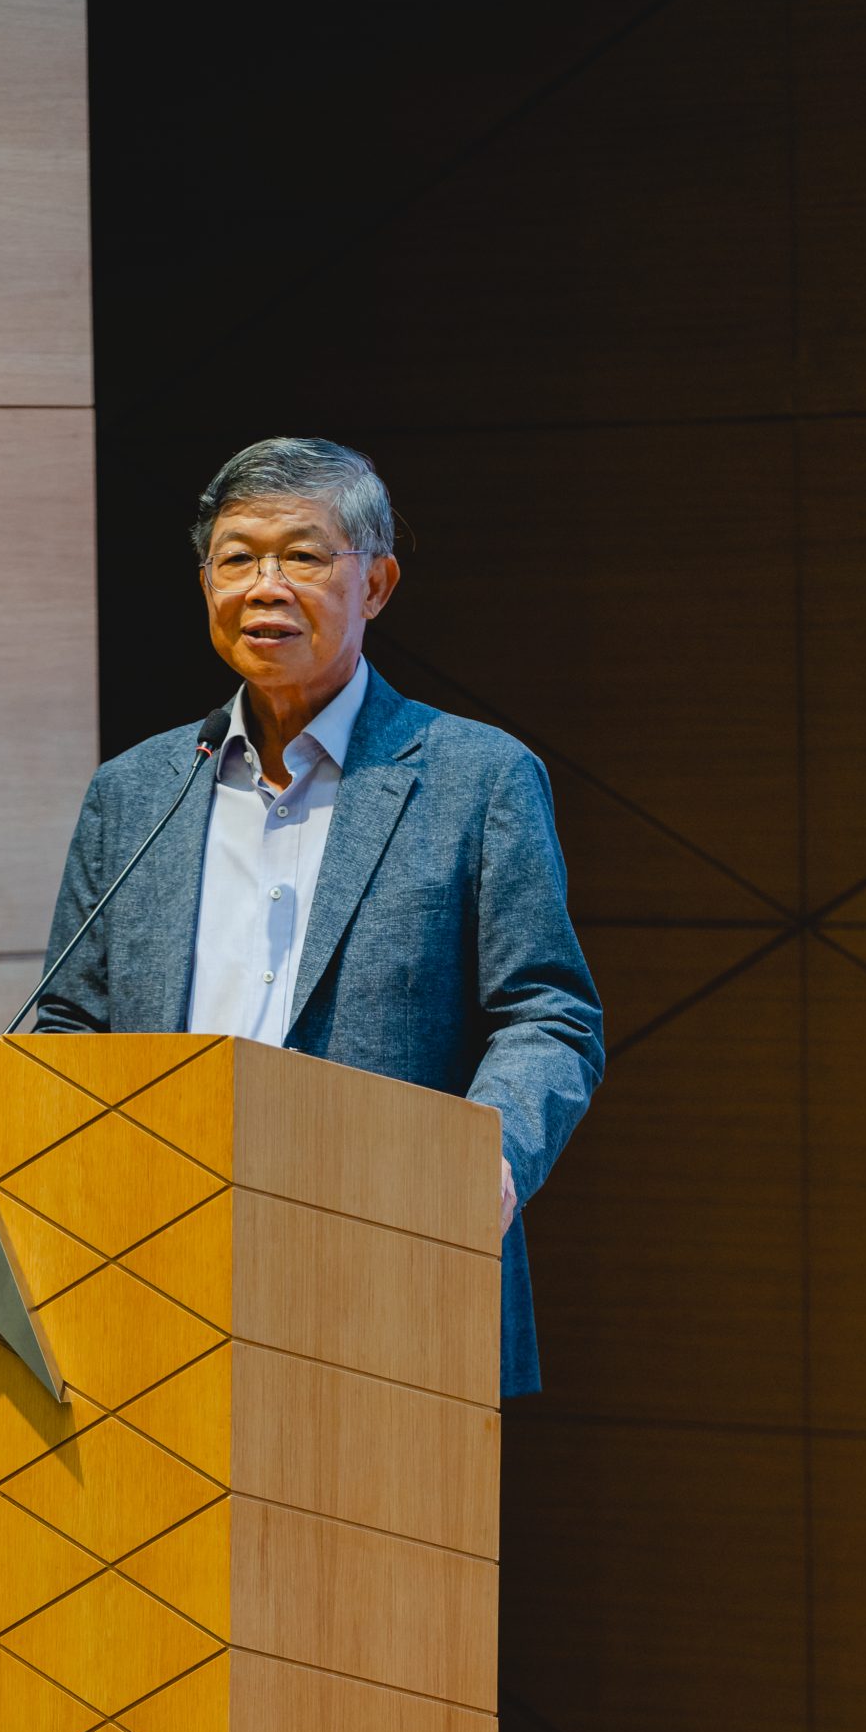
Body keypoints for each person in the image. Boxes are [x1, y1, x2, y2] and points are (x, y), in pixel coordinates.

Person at [35, 434, 603, 1395]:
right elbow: (69, 1019)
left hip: (394, 1262)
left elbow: (547, 1014)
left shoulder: (476, 778)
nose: (265, 588)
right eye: (236, 559)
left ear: (375, 583)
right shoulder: (135, 791)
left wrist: (489, 1154)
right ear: (205, 583)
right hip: (154, 1266)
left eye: (302, 555)